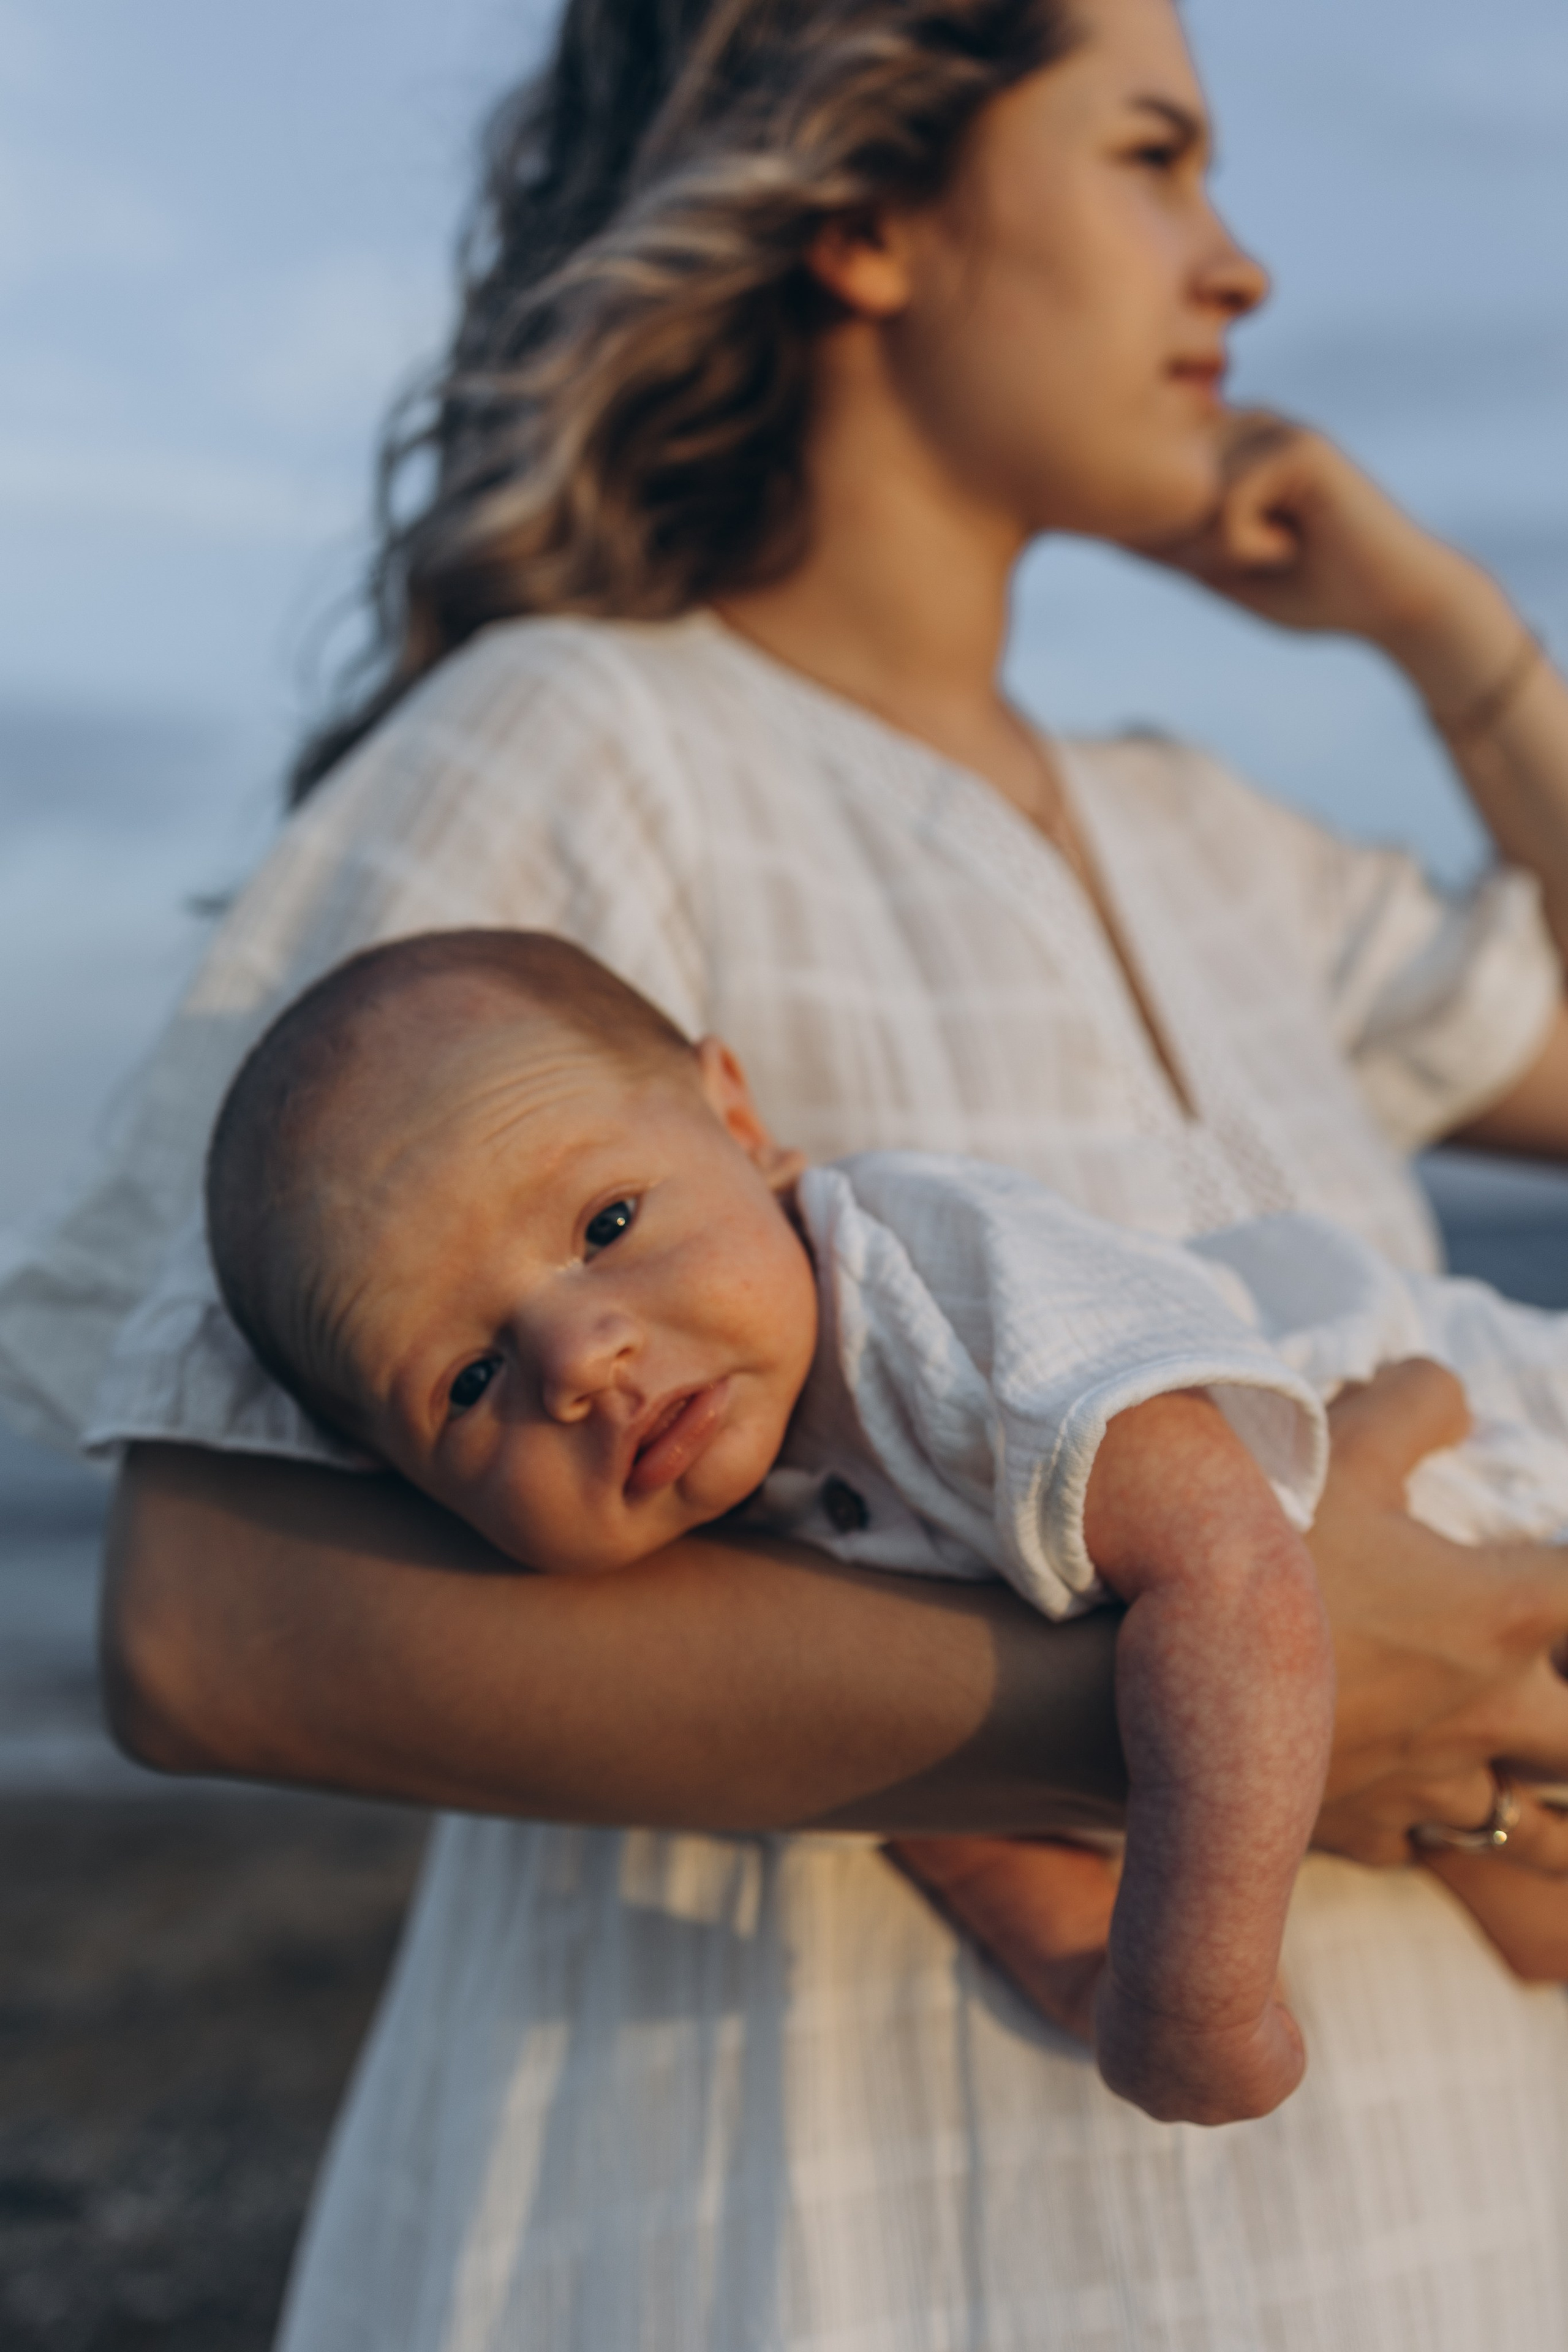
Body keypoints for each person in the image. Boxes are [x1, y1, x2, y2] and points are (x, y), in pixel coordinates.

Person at [5, 0, 1568, 2340]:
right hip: (836, 2233)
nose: (1235, 268)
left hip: (1422, 2224)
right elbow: (212, 1630)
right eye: (1155, 155)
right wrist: (1243, 1688)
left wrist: (1453, 642)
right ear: (868, 221)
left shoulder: (1206, 832)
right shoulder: (574, 731)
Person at [200, 928, 1568, 2090]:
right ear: (407, 1480)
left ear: (738, 1123)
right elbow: (950, 1819)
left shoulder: (932, 1287)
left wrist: (1192, 1995)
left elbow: (1235, 1572)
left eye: (608, 1224)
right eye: (470, 1380)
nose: (576, 1361)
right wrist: (1078, 1970)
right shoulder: (751, 1563)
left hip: (1505, 1451)